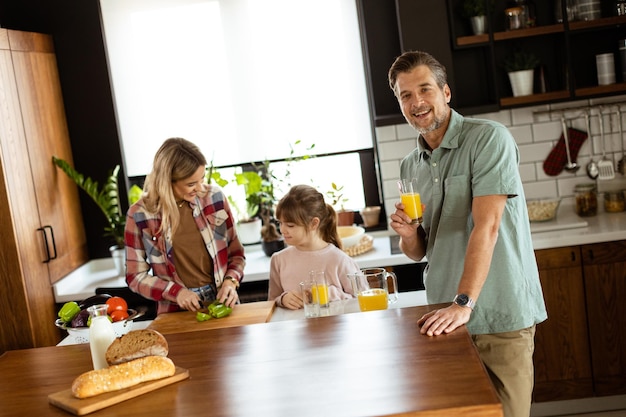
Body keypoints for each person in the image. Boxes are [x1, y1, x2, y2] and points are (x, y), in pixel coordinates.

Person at [387, 51, 547, 417]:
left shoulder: (488, 139)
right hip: (443, 318)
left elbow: (487, 226)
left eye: (424, 89)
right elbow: (420, 250)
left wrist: (464, 303)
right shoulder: (411, 163)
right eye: (405, 95)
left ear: (446, 92)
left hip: (495, 311)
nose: (417, 102)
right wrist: (408, 233)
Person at [125, 137, 245, 314]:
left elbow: (237, 255)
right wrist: (176, 293)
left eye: (201, 179)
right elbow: (135, 276)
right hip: (175, 308)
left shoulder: (215, 198)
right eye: (191, 184)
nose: (200, 188)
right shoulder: (139, 215)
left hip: (223, 302)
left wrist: (230, 281)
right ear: (167, 181)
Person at [268, 185, 359, 309]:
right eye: (280, 223)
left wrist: (330, 294)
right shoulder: (278, 260)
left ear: (313, 223)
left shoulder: (340, 260)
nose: (282, 230)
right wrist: (282, 299)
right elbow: (271, 303)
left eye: (290, 225)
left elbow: (363, 300)